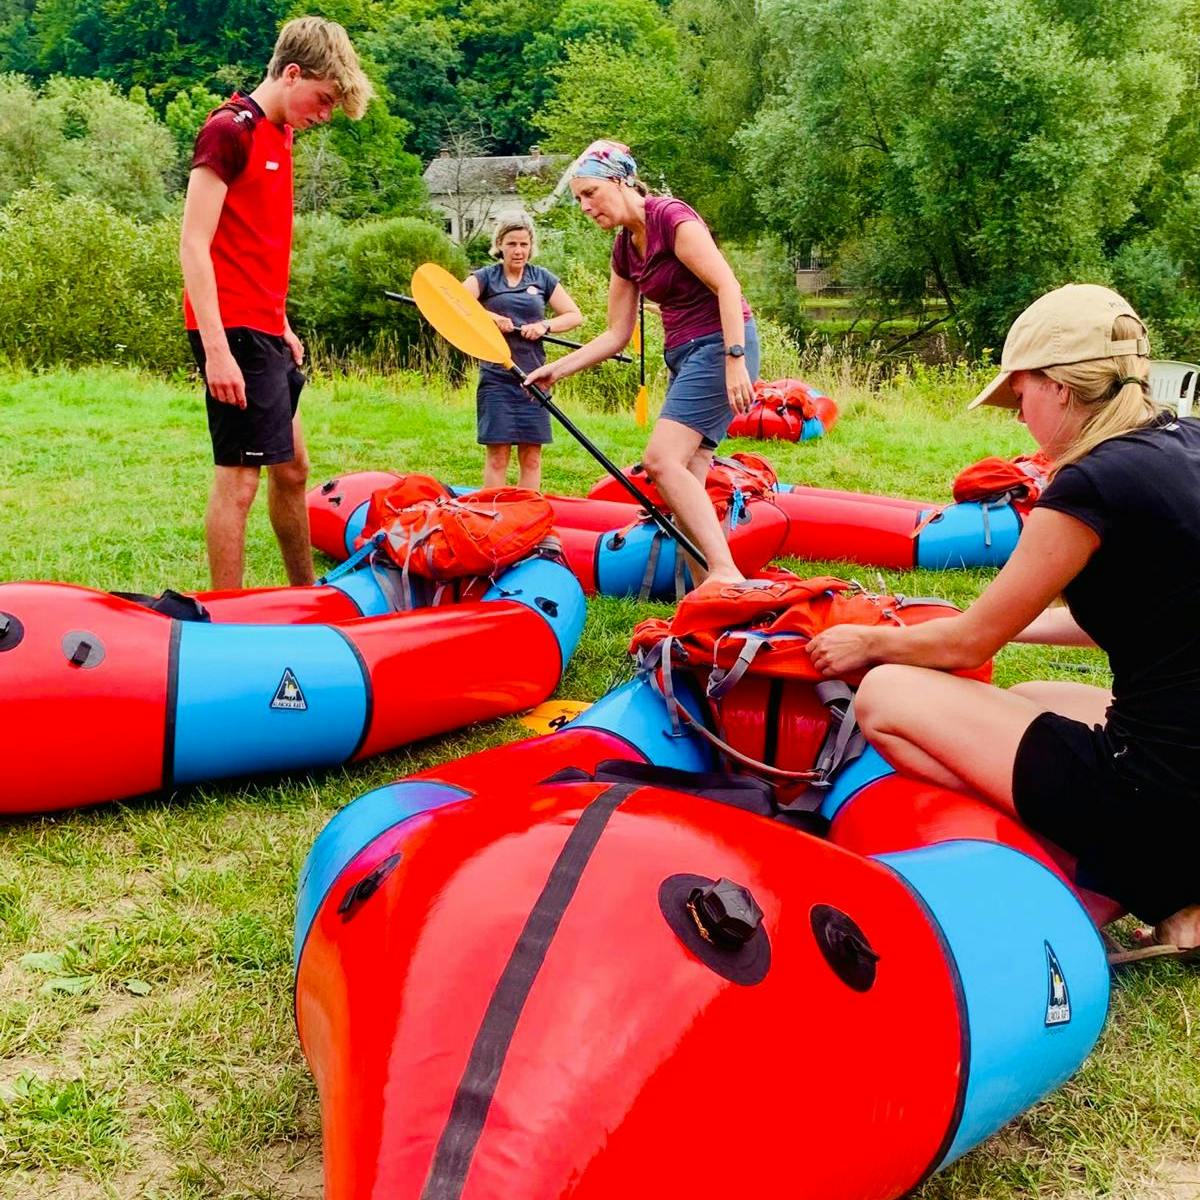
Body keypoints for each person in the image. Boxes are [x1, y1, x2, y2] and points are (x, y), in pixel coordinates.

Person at [807, 283, 1200, 959]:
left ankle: (1132, 877)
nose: (1019, 418)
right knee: (1029, 700)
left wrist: (870, 641)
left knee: (886, 699)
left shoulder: (1092, 485)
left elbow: (966, 647)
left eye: (1019, 397)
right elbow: (1145, 615)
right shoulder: (1183, 443)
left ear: (1058, 389)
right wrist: (1005, 621)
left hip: (1156, 788)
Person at [180, 17, 372, 589]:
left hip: (262, 326)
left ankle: (303, 594)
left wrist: (281, 321)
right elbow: (195, 244)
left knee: (292, 469)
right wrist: (216, 349)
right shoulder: (228, 130)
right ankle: (226, 618)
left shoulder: (280, 134)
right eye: (324, 98)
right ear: (293, 74)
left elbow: (253, 240)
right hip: (231, 330)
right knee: (239, 481)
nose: (325, 113)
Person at [523, 140, 759, 585]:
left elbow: (728, 286)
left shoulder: (670, 217)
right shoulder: (624, 250)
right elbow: (616, 334)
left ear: (620, 179)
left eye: (590, 193)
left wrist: (734, 360)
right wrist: (560, 369)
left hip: (720, 343)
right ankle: (706, 590)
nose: (584, 206)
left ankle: (725, 573)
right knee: (686, 472)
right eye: (577, 199)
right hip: (685, 354)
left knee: (661, 461)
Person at [463, 214, 582, 491]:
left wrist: (544, 325)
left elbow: (574, 316)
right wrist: (491, 318)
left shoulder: (541, 278)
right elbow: (456, 304)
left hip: (533, 378)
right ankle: (493, 517)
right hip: (497, 377)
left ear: (531, 246)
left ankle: (527, 517)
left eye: (524, 244)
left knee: (531, 458)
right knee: (497, 457)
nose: (518, 250)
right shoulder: (485, 277)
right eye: (512, 244)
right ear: (499, 245)